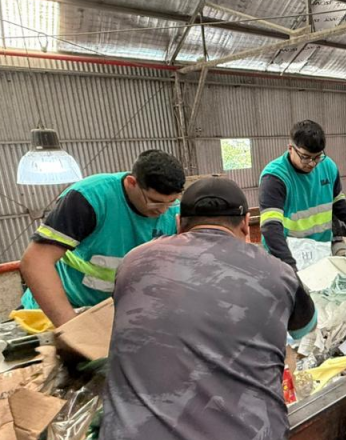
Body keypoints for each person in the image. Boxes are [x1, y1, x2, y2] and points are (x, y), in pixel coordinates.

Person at [101, 177, 316, 440]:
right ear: (246, 224)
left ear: (179, 223)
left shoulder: (133, 262)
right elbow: (307, 325)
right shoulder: (279, 273)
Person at [19, 150, 184, 327]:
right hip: (62, 313)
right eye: (155, 202)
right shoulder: (90, 197)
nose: (162, 210)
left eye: (171, 202)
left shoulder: (174, 213)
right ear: (131, 182)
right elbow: (36, 261)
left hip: (113, 317)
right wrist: (71, 329)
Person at [259, 120, 346, 268]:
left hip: (320, 250)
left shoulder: (328, 166)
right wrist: (288, 264)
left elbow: (337, 202)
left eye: (317, 157)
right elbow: (271, 227)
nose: (312, 163)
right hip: (286, 253)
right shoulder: (275, 177)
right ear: (290, 148)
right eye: (305, 157)